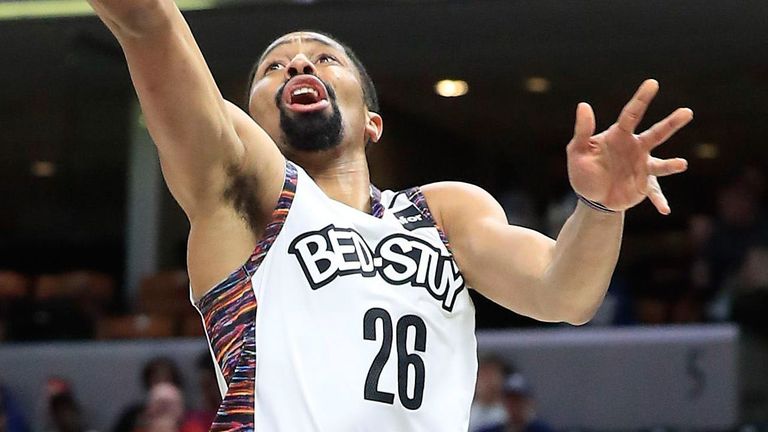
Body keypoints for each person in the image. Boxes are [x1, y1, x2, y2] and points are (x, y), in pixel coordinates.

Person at [86, 0, 692, 429]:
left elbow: (566, 294)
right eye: (274, 68)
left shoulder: (445, 213)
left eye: (325, 59)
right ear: (251, 124)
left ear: (373, 122)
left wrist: (600, 207)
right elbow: (146, 21)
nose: (298, 65)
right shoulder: (247, 196)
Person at [477, 372, 555, 432]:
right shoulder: (492, 429)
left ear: (529, 402)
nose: (514, 406)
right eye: (510, 401)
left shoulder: (542, 430)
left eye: (518, 401)